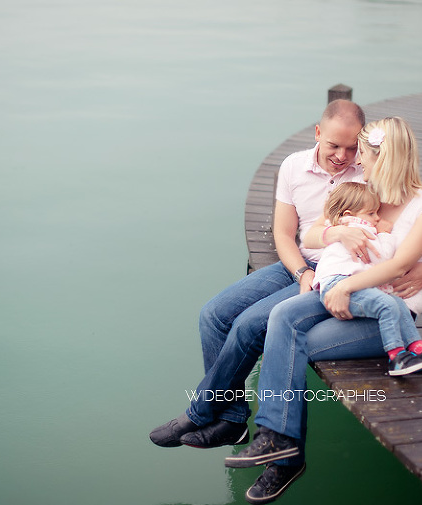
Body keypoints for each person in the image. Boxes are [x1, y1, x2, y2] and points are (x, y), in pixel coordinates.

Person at [225, 117, 422, 505]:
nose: (357, 161)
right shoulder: (368, 191)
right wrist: (338, 232)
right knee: (281, 316)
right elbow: (313, 233)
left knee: (299, 342)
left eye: (362, 153)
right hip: (343, 287)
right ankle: (275, 437)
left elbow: (413, 252)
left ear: (383, 157)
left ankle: (286, 457)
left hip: (387, 310)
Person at [149, 99, 368, 449]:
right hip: (297, 263)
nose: (343, 156)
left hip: (336, 272)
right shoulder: (294, 166)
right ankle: (232, 419)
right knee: (213, 315)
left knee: (248, 325)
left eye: (351, 147)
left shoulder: (368, 171)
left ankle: (200, 412)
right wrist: (300, 271)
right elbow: (283, 234)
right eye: (334, 145)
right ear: (317, 133)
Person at [313, 181, 422, 376]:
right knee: (387, 305)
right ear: (349, 214)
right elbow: (381, 257)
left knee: (397, 303)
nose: (377, 217)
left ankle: (418, 348)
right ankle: (396, 356)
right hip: (338, 283)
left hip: (348, 282)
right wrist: (384, 234)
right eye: (371, 213)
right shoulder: (358, 228)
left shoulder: (350, 225)